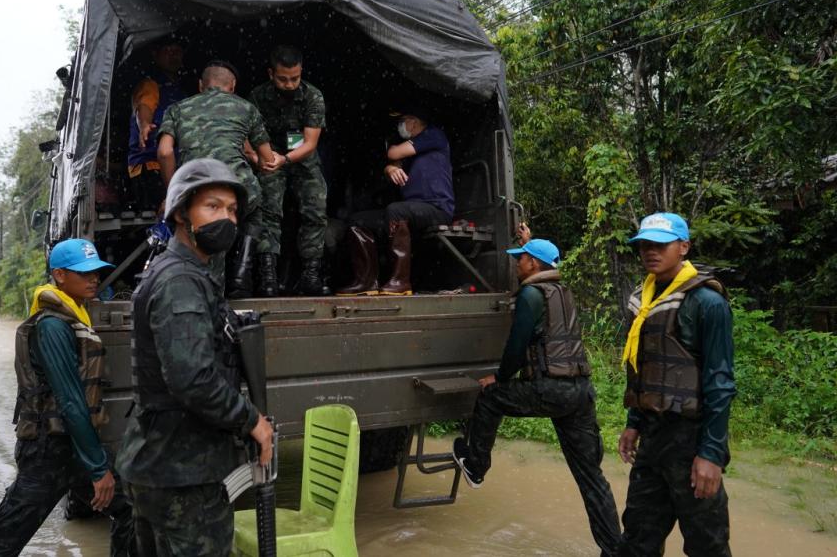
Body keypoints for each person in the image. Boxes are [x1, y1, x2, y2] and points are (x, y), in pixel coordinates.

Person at [116, 158, 274, 556]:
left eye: (232, 210)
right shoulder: (180, 281)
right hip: (180, 475)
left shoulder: (182, 273)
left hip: (162, 465)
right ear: (182, 214)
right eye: (213, 206)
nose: (227, 218)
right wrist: (252, 421)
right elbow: (193, 378)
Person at [452, 225, 621, 557]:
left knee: (490, 398)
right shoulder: (563, 291)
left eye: (522, 259)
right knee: (591, 478)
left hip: (550, 389)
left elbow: (516, 347)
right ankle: (614, 550)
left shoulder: (531, 295)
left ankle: (475, 466)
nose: (517, 265)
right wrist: (528, 240)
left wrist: (499, 378)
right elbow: (547, 264)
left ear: (533, 264)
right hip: (580, 392)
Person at [0, 239, 134, 557]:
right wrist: (98, 468)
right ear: (59, 275)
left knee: (131, 507)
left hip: (73, 449)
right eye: (85, 273)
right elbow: (71, 401)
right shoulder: (52, 327)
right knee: (3, 544)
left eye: (97, 273)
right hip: (47, 454)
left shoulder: (76, 312)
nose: (94, 279)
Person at [616, 212, 736, 556]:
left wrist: (711, 454)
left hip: (691, 439)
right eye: (644, 246)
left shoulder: (707, 303)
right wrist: (633, 423)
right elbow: (643, 367)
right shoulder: (643, 301)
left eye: (660, 245)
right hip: (653, 438)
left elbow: (720, 382)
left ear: (683, 247)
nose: (650, 252)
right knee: (637, 538)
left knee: (706, 544)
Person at [157, 60, 275, 298]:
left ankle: (207, 296)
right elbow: (267, 159)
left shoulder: (177, 109)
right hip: (237, 187)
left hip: (196, 189)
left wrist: (173, 193)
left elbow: (165, 152)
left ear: (201, 85)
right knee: (254, 209)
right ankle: (242, 272)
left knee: (208, 241)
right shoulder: (246, 108)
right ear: (232, 87)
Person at [338, 108, 454, 296]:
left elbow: (393, 153)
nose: (400, 125)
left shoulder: (433, 135)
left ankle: (401, 282)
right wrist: (389, 170)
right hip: (411, 211)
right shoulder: (411, 151)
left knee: (396, 210)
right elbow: (392, 164)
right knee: (356, 221)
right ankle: (366, 282)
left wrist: (392, 160)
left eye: (404, 121)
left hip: (437, 209)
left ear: (415, 122)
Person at [250, 45, 329, 297]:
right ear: (271, 73)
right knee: (268, 211)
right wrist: (261, 158)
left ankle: (311, 275)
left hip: (301, 158)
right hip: (269, 156)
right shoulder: (258, 96)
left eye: (294, 78)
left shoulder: (312, 96)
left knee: (316, 209)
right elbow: (248, 135)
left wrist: (285, 158)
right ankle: (268, 276)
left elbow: (310, 143)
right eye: (283, 79)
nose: (289, 84)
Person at [127, 39, 186, 212]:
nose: (173, 55)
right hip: (151, 167)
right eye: (168, 50)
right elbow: (144, 107)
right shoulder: (150, 83)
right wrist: (144, 124)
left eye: (177, 51)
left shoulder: (181, 90)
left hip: (174, 167)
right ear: (155, 54)